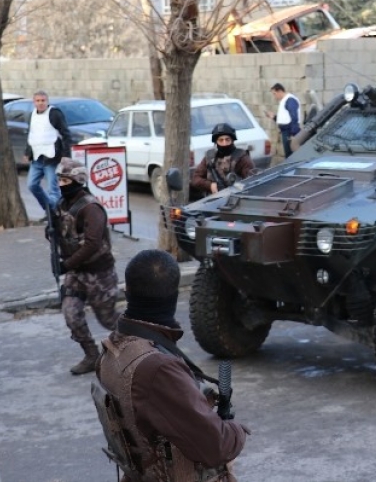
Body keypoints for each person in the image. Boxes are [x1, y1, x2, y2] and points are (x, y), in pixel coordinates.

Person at [94, 249, 249, 481]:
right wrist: (236, 431)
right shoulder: (157, 368)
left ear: (128, 292)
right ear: (174, 297)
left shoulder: (115, 348)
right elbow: (217, 447)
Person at [53, 158, 122, 375]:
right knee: (71, 314)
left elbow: (93, 244)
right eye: (60, 180)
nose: (61, 184)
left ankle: (140, 345)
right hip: (77, 273)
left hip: (99, 273)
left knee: (108, 318)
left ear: (77, 180)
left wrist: (67, 264)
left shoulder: (91, 208)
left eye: (65, 180)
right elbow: (64, 234)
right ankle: (92, 355)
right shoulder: (61, 205)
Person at [26, 91, 72, 213]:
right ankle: (51, 210)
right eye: (38, 101)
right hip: (37, 157)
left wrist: (66, 157)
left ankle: (54, 215)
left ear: (47, 101)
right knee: (32, 185)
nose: (41, 103)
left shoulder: (54, 114)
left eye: (43, 100)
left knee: (53, 190)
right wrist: (27, 152)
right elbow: (32, 135)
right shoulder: (32, 116)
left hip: (52, 158)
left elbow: (66, 134)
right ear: (34, 102)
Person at [190, 123, 255, 197]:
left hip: (236, 199)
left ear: (232, 140)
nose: (224, 143)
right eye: (221, 140)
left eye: (227, 140)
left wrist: (238, 187)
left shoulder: (242, 157)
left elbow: (252, 181)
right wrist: (210, 185)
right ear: (216, 142)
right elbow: (195, 179)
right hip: (213, 200)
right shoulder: (210, 157)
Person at [266, 83, 300, 159]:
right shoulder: (284, 101)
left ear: (280, 91)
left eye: (274, 94)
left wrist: (293, 134)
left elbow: (294, 117)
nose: (274, 97)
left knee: (290, 155)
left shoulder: (290, 100)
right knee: (288, 154)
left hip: (289, 131)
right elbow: (284, 119)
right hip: (285, 131)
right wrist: (274, 117)